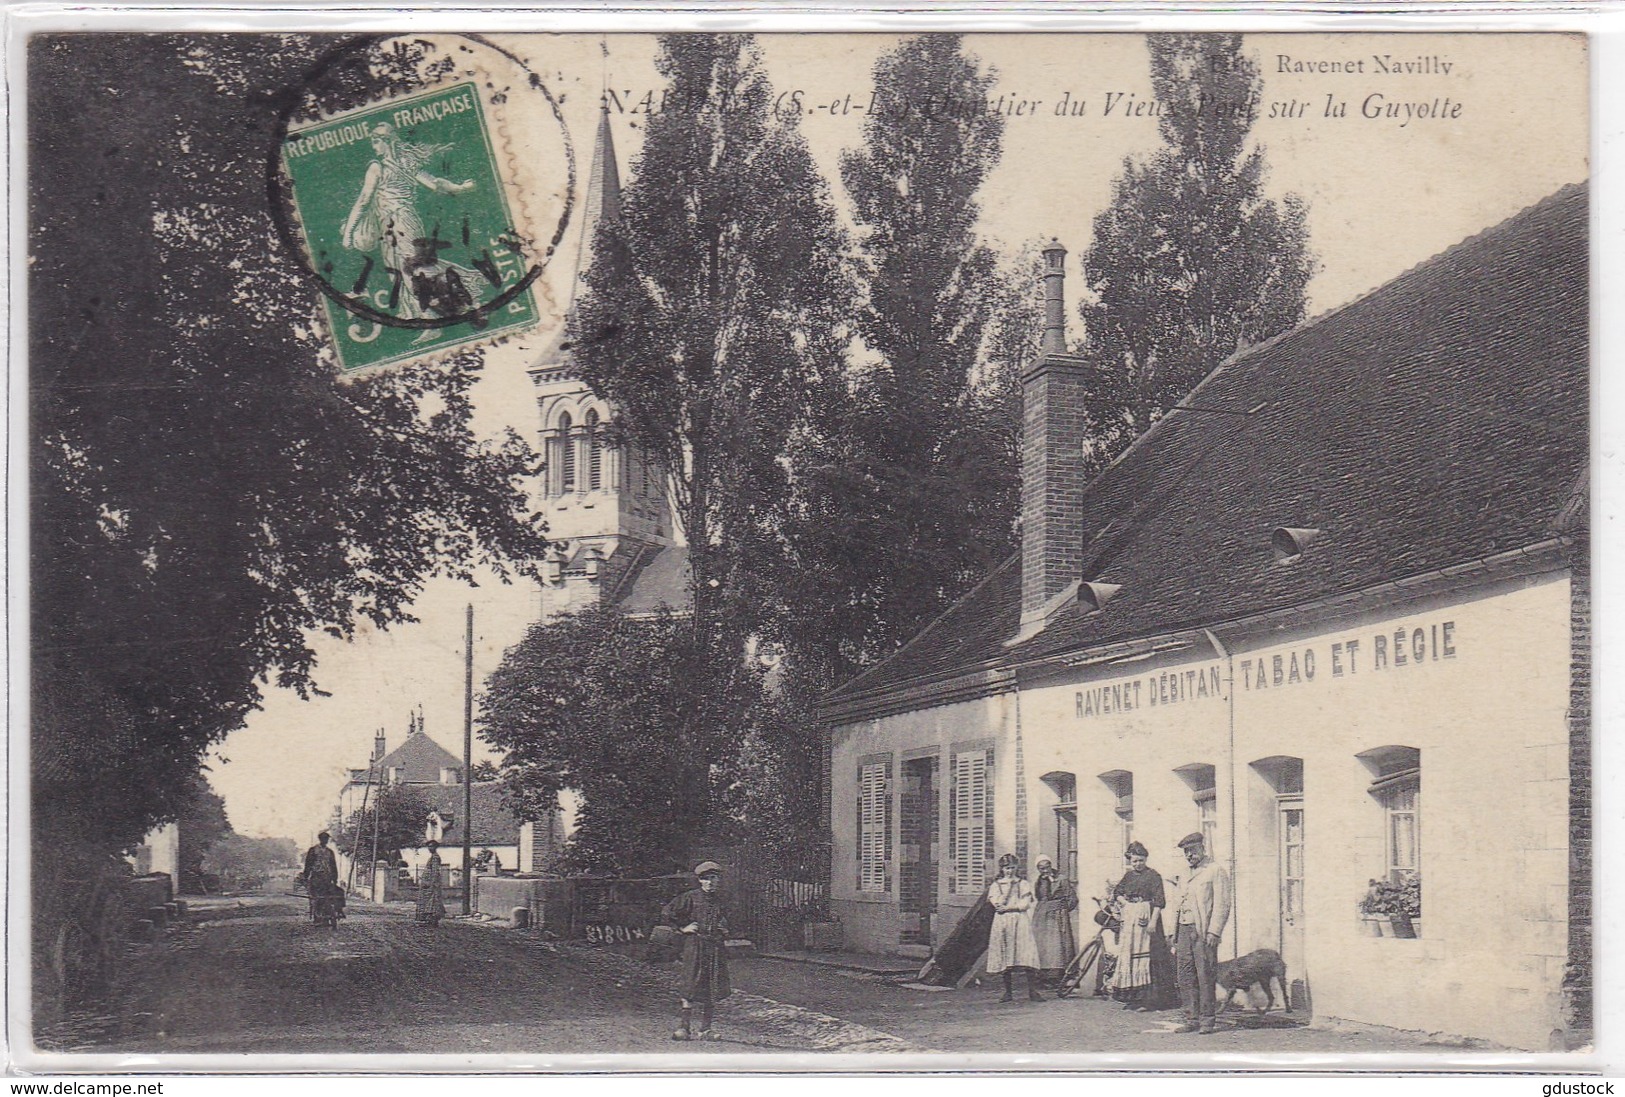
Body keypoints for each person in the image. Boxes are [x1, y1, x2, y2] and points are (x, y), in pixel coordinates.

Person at [340, 123, 478, 337]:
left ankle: (448, 310)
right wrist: (459, 188)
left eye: (376, 141)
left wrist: (349, 232)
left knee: (413, 269)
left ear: (386, 142)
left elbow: (364, 200)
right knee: (408, 270)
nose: (374, 146)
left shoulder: (377, 167)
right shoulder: (406, 163)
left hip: (397, 223)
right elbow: (435, 183)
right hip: (404, 221)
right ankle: (439, 313)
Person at [662, 861, 732, 1041]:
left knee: (712, 985)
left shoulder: (721, 900)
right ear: (700, 881)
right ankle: (684, 1028)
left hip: (715, 947)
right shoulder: (690, 897)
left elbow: (728, 920)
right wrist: (683, 928)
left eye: (714, 878)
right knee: (690, 984)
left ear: (718, 880)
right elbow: (667, 913)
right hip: (695, 946)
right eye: (706, 879)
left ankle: (705, 1029)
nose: (710, 882)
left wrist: (725, 929)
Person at [1171, 832, 1232, 1034]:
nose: (1190, 855)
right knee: (1185, 975)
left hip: (1203, 930)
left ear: (1202, 849)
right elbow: (1178, 904)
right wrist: (1174, 931)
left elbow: (1222, 904)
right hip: (1183, 929)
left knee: (1205, 973)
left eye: (1193, 850)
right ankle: (1191, 1018)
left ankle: (1207, 1020)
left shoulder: (1215, 871)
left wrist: (1214, 931)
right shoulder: (1184, 873)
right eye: (1186, 852)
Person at [1108, 841, 1178, 1011]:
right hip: (1131, 920)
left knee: (1150, 958)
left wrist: (1153, 922)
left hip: (1148, 920)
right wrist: (1125, 904)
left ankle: (1151, 1001)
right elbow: (1117, 892)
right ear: (1130, 861)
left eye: (1141, 860)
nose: (1138, 864)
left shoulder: (1153, 876)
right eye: (1134, 861)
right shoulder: (1129, 876)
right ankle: (1135, 998)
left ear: (1146, 859)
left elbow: (1159, 901)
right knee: (1131, 956)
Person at [986, 853, 1045, 1003]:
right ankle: (1008, 992)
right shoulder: (996, 885)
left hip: (1020, 920)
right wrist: (1005, 894)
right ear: (1002, 869)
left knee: (1026, 952)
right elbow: (997, 903)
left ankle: (1032, 991)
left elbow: (1025, 904)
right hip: (1003, 922)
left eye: (1012, 868)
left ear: (1016, 868)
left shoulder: (1023, 884)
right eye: (1006, 868)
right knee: (1006, 954)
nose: (1009, 871)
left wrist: (1009, 907)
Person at [1030, 854, 1076, 986]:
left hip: (1058, 916)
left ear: (1051, 865)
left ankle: (1060, 976)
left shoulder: (1062, 879)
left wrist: (1063, 910)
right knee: (1043, 945)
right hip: (1042, 915)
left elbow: (1072, 898)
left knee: (1058, 946)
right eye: (1041, 868)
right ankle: (1045, 976)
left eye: (1047, 866)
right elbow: (1039, 897)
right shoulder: (1039, 881)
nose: (1045, 870)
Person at [301, 831, 342, 924]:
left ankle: (328, 916)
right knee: (317, 897)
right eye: (323, 839)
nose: (325, 841)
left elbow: (333, 866)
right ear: (320, 839)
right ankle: (317, 917)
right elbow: (308, 864)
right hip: (316, 876)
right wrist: (306, 876)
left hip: (327, 878)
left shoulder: (330, 852)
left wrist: (335, 879)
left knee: (328, 897)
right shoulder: (313, 850)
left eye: (326, 839)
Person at [415, 840, 447, 927]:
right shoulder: (432, 857)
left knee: (432, 901)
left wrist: (432, 883)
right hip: (428, 882)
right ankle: (428, 920)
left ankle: (432, 920)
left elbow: (435, 871)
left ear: (436, 847)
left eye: (432, 846)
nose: (430, 848)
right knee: (427, 901)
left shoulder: (435, 857)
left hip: (431, 883)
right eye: (429, 846)